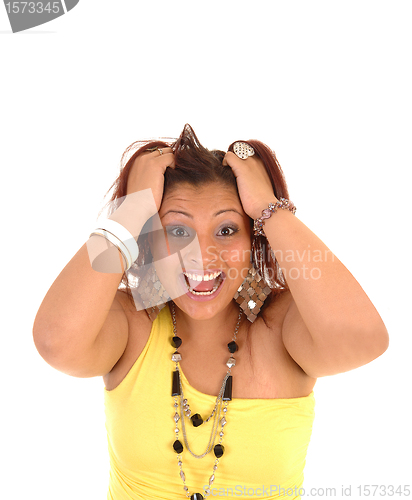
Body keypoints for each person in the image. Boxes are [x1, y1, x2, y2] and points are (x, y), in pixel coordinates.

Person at [33, 124, 389, 500]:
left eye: (226, 229)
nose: (202, 256)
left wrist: (271, 210)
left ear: (254, 237)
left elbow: (365, 339)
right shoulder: (131, 324)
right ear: (149, 239)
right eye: (179, 231)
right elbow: (56, 342)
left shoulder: (282, 326)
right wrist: (132, 208)